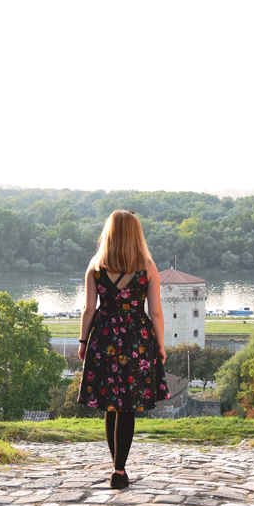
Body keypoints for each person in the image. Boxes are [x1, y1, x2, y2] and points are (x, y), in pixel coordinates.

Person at [77, 210, 169, 489]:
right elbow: (155, 312)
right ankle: (119, 470)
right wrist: (160, 346)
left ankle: (115, 467)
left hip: (104, 337)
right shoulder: (147, 266)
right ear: (135, 233)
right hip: (137, 339)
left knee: (110, 404)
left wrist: (83, 342)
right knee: (127, 406)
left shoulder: (96, 266)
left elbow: (89, 309)